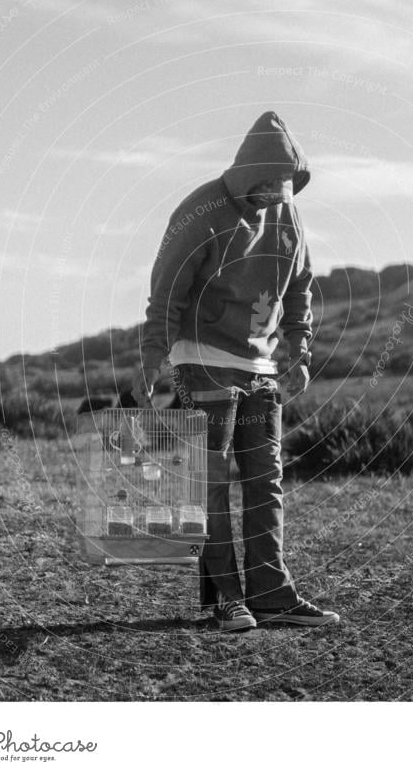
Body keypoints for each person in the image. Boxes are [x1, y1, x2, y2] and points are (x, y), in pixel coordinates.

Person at [132, 111, 340, 631]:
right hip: (203, 362)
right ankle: (228, 598)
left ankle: (273, 594)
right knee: (213, 481)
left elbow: (300, 286)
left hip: (261, 366)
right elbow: (167, 292)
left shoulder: (287, 213)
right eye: (268, 182)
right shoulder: (200, 212)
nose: (276, 193)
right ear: (247, 174)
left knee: (265, 479)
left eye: (285, 185)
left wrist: (300, 349)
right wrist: (152, 357)